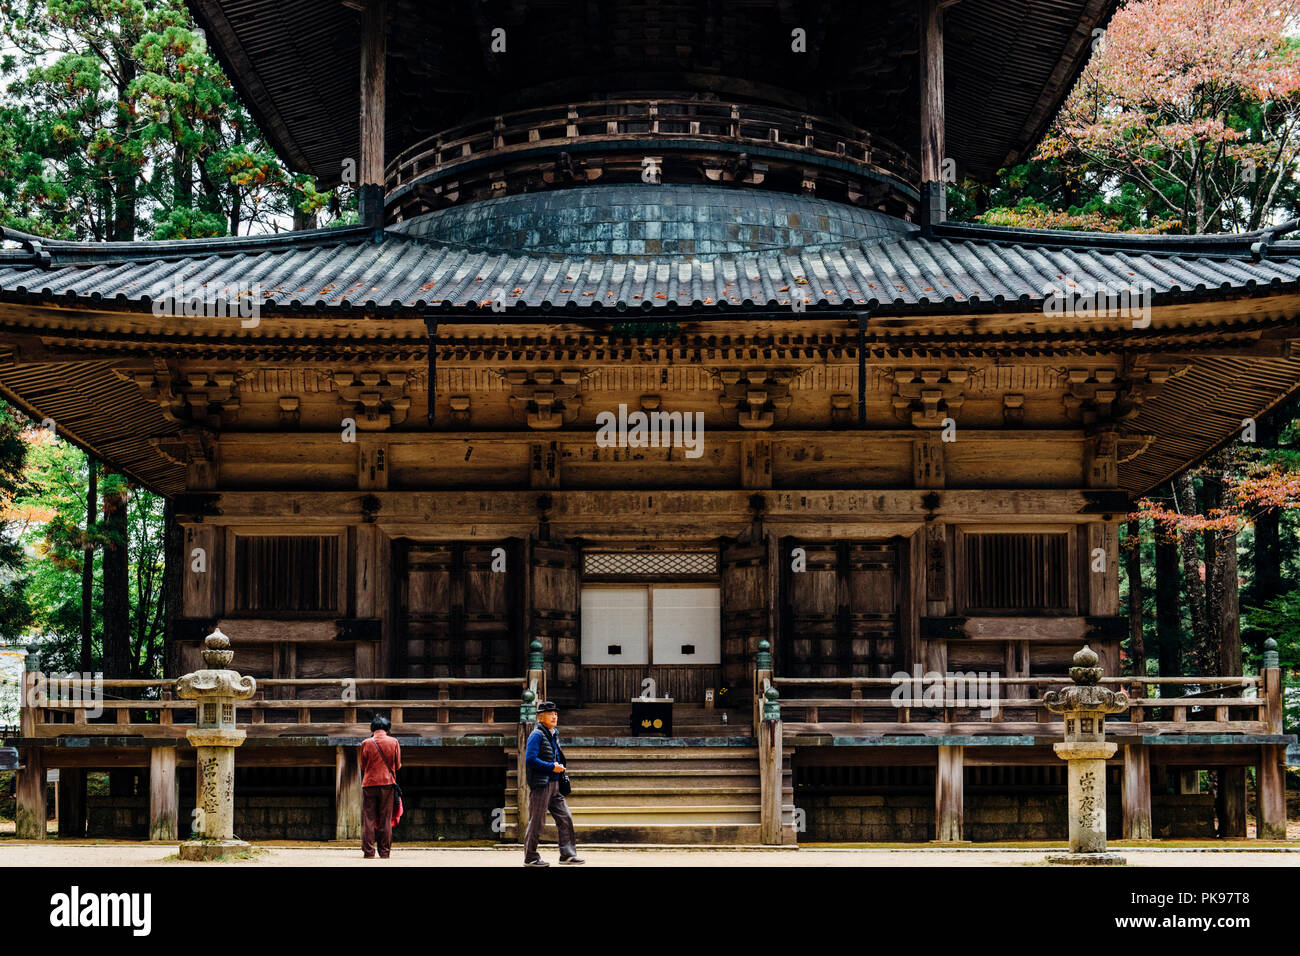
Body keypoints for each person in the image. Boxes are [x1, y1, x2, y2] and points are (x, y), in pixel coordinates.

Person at [522, 701, 584, 867]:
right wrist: (552, 767)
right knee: (537, 821)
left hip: (555, 784)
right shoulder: (536, 735)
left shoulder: (553, 733)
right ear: (541, 717)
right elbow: (530, 759)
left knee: (565, 818)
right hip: (542, 785)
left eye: (555, 713)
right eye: (550, 714)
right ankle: (530, 857)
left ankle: (567, 855)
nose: (554, 716)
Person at [359, 714, 401, 859]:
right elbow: (398, 765)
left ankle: (369, 852)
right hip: (388, 784)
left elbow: (363, 765)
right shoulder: (394, 742)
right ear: (387, 728)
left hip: (369, 783)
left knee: (368, 818)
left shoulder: (366, 743)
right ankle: (384, 852)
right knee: (385, 818)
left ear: (373, 728)